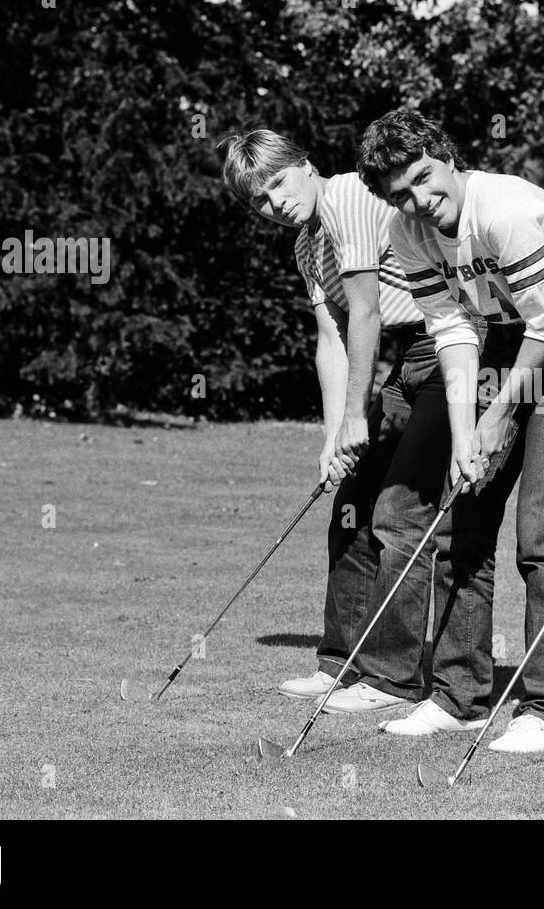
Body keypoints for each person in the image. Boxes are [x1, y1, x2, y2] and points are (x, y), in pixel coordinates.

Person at [356, 109, 544, 753]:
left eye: (423, 178)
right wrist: (468, 434)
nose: (418, 200)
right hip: (492, 342)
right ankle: (459, 696)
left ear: (445, 155)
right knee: (466, 519)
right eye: (400, 194)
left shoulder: (507, 210)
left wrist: (498, 419)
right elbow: (452, 331)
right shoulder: (406, 231)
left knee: (543, 532)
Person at [220, 129, 443, 714]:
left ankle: (390, 677)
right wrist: (332, 438)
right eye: (261, 201)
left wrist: (355, 419)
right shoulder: (304, 246)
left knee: (397, 516)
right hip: (400, 358)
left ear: (304, 165)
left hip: (446, 346)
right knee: (349, 511)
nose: (276, 203)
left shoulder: (347, 197)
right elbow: (332, 338)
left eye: (277, 182)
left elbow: (366, 312)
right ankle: (341, 665)